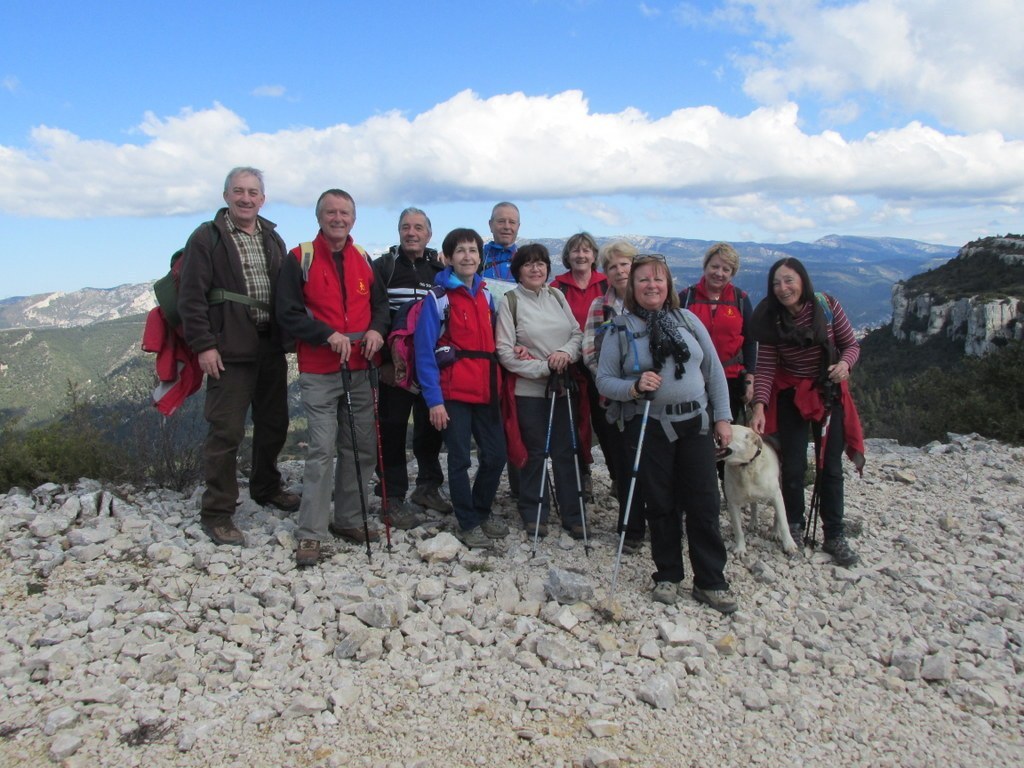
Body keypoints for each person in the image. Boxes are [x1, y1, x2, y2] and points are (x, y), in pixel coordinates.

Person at [596, 255, 737, 613]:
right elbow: (604, 380)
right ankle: (668, 574)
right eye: (643, 280)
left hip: (696, 422)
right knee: (660, 502)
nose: (651, 285)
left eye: (658, 279)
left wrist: (723, 418)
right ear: (632, 287)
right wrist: (633, 387)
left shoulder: (687, 319)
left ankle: (711, 581)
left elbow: (713, 370)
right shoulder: (619, 329)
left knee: (704, 501)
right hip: (651, 424)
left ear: (668, 285)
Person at [178, 166, 299, 547]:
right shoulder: (208, 237)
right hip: (228, 347)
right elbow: (191, 297)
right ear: (226, 195)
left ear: (262, 198)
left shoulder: (272, 237)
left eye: (253, 192)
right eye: (238, 191)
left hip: (269, 345)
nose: (246, 198)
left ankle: (266, 486)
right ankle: (217, 511)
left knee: (274, 423)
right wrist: (204, 346)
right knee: (226, 430)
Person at [276, 189, 390, 567]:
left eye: (344, 213)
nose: (337, 218)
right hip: (320, 369)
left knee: (359, 447)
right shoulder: (300, 258)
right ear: (319, 216)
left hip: (360, 367)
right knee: (323, 450)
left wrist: (376, 330)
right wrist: (325, 334)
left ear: (353, 219)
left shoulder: (363, 259)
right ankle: (311, 534)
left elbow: (380, 306)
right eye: (330, 212)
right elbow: (288, 312)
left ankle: (350, 519)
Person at [748, 257, 865, 567]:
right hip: (791, 396)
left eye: (789, 280)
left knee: (831, 468)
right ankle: (794, 528)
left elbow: (851, 345)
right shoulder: (772, 319)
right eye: (776, 283)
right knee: (794, 466)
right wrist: (759, 405)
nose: (783, 288)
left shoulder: (826, 307)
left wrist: (844, 365)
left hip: (828, 392)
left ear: (802, 280)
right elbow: (767, 366)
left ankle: (835, 534)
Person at [415, 228, 508, 550]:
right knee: (459, 460)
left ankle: (480, 511)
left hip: (486, 387)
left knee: (496, 455)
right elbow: (424, 351)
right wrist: (434, 401)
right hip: (453, 392)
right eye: (461, 251)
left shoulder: (486, 295)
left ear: (480, 257)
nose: (467, 256)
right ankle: (468, 522)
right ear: (448, 258)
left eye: (473, 250)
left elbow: (497, 340)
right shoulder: (438, 298)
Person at [496, 244, 586, 539]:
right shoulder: (510, 302)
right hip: (530, 391)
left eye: (541, 263)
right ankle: (534, 511)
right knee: (534, 454)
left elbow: (577, 334)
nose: (536, 269)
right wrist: (545, 368)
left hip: (562, 388)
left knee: (565, 452)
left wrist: (564, 354)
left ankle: (573, 513)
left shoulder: (557, 296)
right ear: (518, 270)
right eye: (528, 264)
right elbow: (505, 353)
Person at [372, 208, 451, 522]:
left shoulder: (440, 270)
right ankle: (391, 495)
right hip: (397, 367)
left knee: (431, 427)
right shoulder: (384, 268)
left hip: (432, 366)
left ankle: (428, 487)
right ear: (399, 232)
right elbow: (375, 316)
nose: (411, 233)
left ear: (429, 234)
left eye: (418, 227)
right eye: (406, 227)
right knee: (391, 429)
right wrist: (383, 364)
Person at [582, 240, 645, 552]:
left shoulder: (651, 300)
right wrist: (611, 383)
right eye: (612, 266)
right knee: (622, 461)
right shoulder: (600, 306)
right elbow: (589, 350)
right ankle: (631, 527)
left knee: (652, 461)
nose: (620, 270)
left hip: (650, 398)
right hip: (614, 399)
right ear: (604, 273)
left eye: (625, 264)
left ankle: (659, 520)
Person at [551, 232, 609, 502]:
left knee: (609, 423)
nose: (581, 255)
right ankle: (582, 474)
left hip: (605, 366)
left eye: (586, 250)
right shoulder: (557, 287)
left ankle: (619, 476)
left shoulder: (607, 284)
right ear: (567, 256)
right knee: (576, 423)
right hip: (571, 365)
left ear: (594, 255)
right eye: (575, 251)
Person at [678, 243, 756, 425]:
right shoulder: (686, 297)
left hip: (731, 378)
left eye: (726, 269)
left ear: (732, 273)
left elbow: (751, 340)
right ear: (705, 266)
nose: (719, 273)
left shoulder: (741, 299)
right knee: (696, 428)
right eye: (714, 266)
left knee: (727, 429)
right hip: (693, 377)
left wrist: (750, 378)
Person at [481, 202, 520, 281]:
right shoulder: (477, 257)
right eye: (501, 221)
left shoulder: (525, 260)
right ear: (490, 225)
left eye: (512, 222)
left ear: (518, 227)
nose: (507, 226)